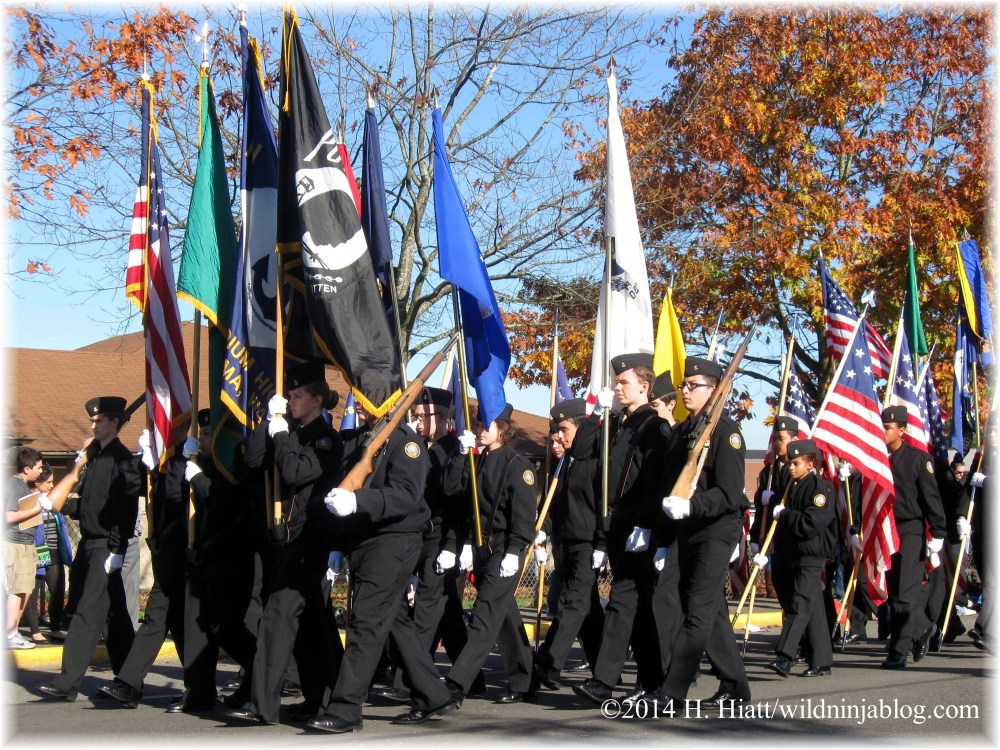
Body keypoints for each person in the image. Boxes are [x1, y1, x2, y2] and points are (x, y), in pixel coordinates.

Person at [305, 402, 458, 733]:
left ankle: (346, 708)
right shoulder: (361, 439)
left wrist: (360, 502)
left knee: (366, 621)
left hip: (393, 541)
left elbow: (406, 495)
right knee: (393, 622)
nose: (358, 403)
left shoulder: (406, 442)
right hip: (363, 541)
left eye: (366, 396)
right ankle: (433, 693)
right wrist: (337, 542)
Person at [227, 361, 344, 725]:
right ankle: (322, 697)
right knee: (310, 622)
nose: (291, 402)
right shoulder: (289, 430)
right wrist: (268, 422)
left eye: (297, 396)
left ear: (317, 400)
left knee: (278, 614)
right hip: (287, 538)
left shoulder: (326, 439)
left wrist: (281, 434)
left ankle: (262, 704)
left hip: (310, 539)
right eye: (289, 396)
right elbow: (253, 460)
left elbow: (295, 471)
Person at [372, 387, 484, 703]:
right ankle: (472, 678)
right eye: (416, 416)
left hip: (442, 539)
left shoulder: (453, 449)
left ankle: (406, 683)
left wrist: (455, 545)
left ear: (443, 417)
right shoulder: (419, 447)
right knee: (446, 611)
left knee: (425, 609)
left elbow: (455, 498)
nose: (418, 422)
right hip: (419, 536)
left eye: (424, 416)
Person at [653, 356, 751, 709]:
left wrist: (693, 506)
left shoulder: (726, 432)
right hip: (685, 529)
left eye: (693, 386)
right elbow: (669, 490)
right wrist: (663, 538)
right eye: (684, 385)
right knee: (710, 612)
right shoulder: (681, 433)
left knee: (696, 610)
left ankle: (673, 692)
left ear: (714, 390)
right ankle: (735, 685)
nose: (685, 391)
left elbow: (729, 492)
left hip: (717, 528)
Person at [574, 353, 671, 704]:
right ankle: (653, 681)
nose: (617, 387)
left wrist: (647, 526)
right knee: (640, 608)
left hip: (638, 524)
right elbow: (581, 451)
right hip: (616, 522)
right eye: (616, 382)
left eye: (623, 382)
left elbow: (656, 481)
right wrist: (598, 413)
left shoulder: (653, 427)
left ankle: (603, 680)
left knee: (621, 601)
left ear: (644, 386)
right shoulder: (618, 422)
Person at [38, 397, 142, 700]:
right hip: (88, 543)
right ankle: (130, 681)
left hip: (105, 546)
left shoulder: (122, 459)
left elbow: (126, 507)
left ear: (114, 423)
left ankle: (66, 684)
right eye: (92, 421)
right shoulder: (94, 458)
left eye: (99, 421)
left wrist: (117, 548)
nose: (93, 425)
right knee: (115, 618)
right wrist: (78, 467)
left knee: (86, 614)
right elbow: (88, 503)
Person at [439, 403, 537, 706]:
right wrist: (459, 454)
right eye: (479, 423)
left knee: (483, 615)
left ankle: (457, 684)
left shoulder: (517, 464)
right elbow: (453, 492)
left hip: (505, 548)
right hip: (482, 547)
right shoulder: (476, 461)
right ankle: (525, 680)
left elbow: (523, 513)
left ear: (503, 430)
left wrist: (516, 549)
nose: (479, 429)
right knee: (503, 615)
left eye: (485, 425)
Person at [97, 426, 192, 708]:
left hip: (187, 550)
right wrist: (142, 459)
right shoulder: (158, 459)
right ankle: (194, 686)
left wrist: (165, 467)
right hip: (164, 549)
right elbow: (128, 485)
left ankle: (130, 684)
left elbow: (178, 497)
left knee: (160, 616)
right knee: (169, 620)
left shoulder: (189, 456)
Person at [174, 408, 259, 713]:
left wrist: (200, 479)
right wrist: (183, 466)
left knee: (225, 627)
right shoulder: (197, 465)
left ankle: (261, 669)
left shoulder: (233, 468)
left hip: (229, 555)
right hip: (199, 553)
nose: (202, 438)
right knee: (197, 630)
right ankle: (199, 693)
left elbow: (226, 506)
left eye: (208, 434)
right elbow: (173, 498)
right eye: (201, 433)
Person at [533, 397, 605, 690]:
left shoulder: (595, 461)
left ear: (581, 426)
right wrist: (543, 530)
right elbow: (555, 504)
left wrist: (602, 543)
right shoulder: (564, 461)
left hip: (587, 543)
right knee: (588, 612)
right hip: (565, 542)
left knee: (571, 604)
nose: (558, 437)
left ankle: (549, 665)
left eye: (564, 429)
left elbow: (603, 507)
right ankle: (604, 671)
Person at [761, 439, 837, 677]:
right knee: (809, 606)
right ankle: (821, 660)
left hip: (810, 553)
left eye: (796, 463)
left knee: (800, 603)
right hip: (789, 553)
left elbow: (811, 523)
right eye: (789, 463)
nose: (791, 468)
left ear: (810, 463)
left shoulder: (820, 488)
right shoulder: (790, 486)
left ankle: (785, 656)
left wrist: (786, 514)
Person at [880, 405, 946, 669]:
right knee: (894, 593)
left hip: (911, 531)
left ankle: (899, 651)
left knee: (906, 593)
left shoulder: (919, 460)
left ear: (902, 430)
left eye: (887, 427)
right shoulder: (878, 459)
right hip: (887, 530)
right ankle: (921, 628)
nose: (883, 432)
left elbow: (931, 499)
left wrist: (938, 533)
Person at [22, 464, 72, 644]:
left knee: (58, 589)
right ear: (38, 482)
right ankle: (35, 631)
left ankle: (55, 628)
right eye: (49, 482)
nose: (52, 486)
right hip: (36, 550)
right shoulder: (28, 499)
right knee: (32, 591)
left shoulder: (52, 500)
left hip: (53, 550)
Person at [5, 446, 47, 650]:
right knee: (17, 589)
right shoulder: (14, 485)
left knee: (24, 589)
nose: (41, 471)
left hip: (25, 542)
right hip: (16, 543)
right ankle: (10, 634)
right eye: (38, 467)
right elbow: (9, 516)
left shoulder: (21, 486)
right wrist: (37, 509)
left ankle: (12, 633)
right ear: (26, 468)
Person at [751, 417, 797, 599]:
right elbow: (761, 510)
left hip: (791, 538)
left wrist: (774, 499)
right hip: (772, 538)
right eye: (774, 438)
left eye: (781, 438)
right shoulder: (767, 472)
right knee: (779, 587)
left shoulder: (797, 470)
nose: (777, 443)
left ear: (793, 440)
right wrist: (755, 537)